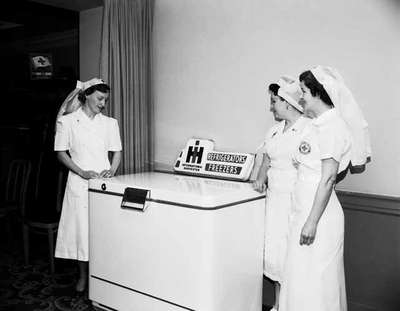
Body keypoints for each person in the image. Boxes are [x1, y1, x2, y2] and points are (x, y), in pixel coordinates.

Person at [279, 66, 371, 311]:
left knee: (317, 279)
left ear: (319, 93)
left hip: (319, 216)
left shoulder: (333, 127)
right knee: (300, 275)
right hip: (303, 208)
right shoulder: (314, 124)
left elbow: (329, 178)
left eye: (304, 91)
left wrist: (311, 222)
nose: (301, 97)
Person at [54, 78, 122, 292]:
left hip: (104, 184)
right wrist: (81, 172)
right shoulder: (68, 122)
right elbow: (61, 153)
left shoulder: (110, 123)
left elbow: (117, 152)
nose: (103, 103)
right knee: (82, 233)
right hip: (79, 182)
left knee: (104, 231)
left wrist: (111, 170)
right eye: (100, 98)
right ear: (87, 95)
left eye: (106, 100)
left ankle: (104, 277)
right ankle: (84, 276)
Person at [253, 76, 310, 311]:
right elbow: (266, 158)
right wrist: (259, 178)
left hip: (295, 201)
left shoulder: (306, 129)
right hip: (274, 199)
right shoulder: (275, 130)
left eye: (274, 101)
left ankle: (291, 306)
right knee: (275, 253)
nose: (271, 106)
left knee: (291, 255)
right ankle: (278, 305)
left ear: (287, 102)